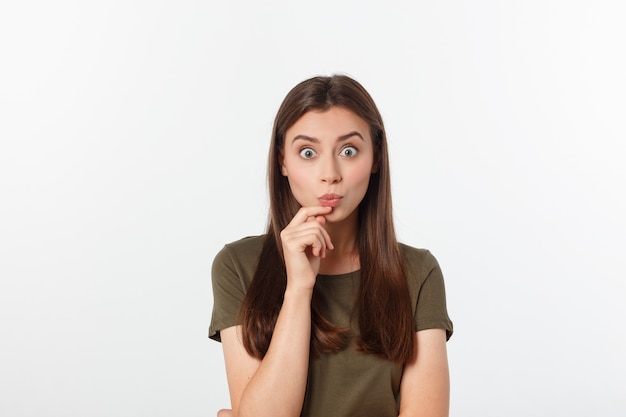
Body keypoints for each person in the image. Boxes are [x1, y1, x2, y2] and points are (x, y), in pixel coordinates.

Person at [209, 74, 453, 417]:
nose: (329, 173)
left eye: (348, 150)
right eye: (307, 152)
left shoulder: (417, 273)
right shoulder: (237, 266)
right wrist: (298, 289)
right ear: (282, 161)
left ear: (376, 159)